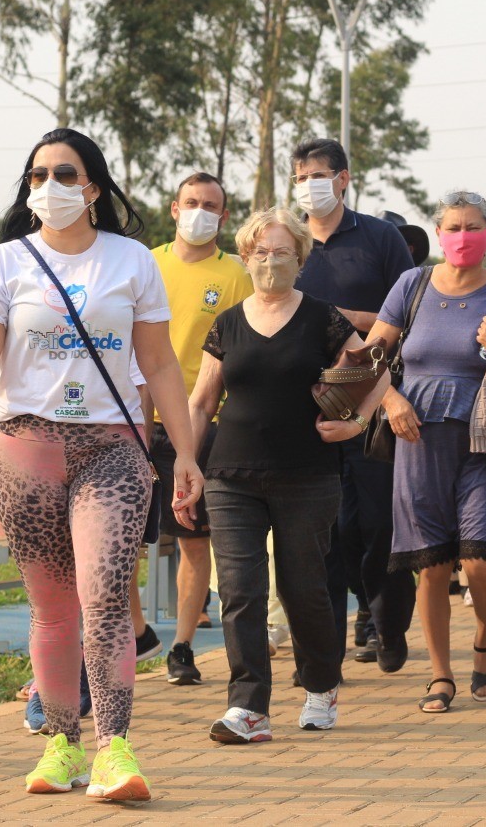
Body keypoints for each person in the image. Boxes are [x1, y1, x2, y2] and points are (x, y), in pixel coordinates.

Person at [0, 128, 201, 801]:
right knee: (53, 608)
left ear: (93, 187)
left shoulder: (131, 261)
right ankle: (61, 745)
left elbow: (160, 364)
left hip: (111, 446)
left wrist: (187, 454)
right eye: (37, 176)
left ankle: (115, 748)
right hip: (23, 444)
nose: (49, 187)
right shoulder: (4, 264)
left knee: (104, 594)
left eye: (65, 174)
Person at [190, 206, 388, 743]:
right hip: (231, 473)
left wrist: (356, 424)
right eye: (260, 253)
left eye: (282, 252)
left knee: (303, 588)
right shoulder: (227, 321)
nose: (271, 262)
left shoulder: (323, 317)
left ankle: (321, 685)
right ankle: (248, 706)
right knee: (239, 590)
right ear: (246, 257)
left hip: (307, 474)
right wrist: (187, 462)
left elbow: (374, 370)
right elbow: (202, 401)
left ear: (300, 258)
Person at [366, 191, 486, 712]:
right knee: (433, 566)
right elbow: (372, 355)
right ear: (438, 234)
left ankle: (485, 639)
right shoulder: (411, 285)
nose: (462, 236)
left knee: (481, 555)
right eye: (453, 227)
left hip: (483, 441)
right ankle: (440, 674)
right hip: (416, 437)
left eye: (473, 227)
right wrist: (391, 399)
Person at [292, 138, 416, 672]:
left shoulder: (380, 238)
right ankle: (322, 656)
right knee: (320, 536)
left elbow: (410, 312)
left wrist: (340, 318)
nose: (308, 186)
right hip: (303, 409)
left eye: (317, 175)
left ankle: (387, 622)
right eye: (299, 177)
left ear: (343, 179)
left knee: (377, 527)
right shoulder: (287, 241)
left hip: (372, 401)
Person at [150, 172, 253, 686]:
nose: (199, 212)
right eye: (191, 202)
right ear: (174, 208)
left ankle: (182, 646)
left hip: (202, 423)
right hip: (135, 419)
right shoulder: (146, 263)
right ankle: (134, 632)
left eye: (210, 205)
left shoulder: (237, 273)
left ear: (224, 216)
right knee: (122, 542)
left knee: (192, 539)